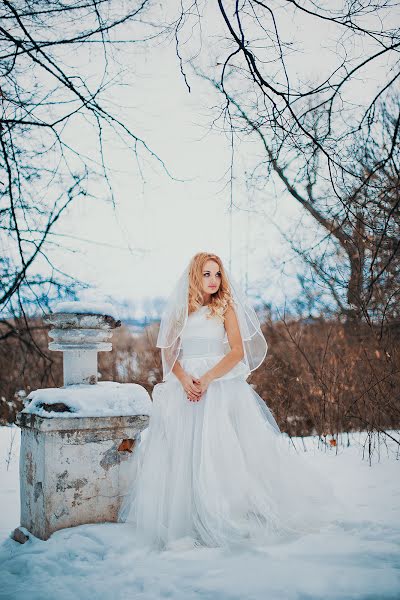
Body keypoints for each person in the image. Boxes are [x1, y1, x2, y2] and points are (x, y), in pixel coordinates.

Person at [119, 252, 340, 550]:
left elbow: (237, 352)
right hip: (184, 385)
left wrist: (208, 379)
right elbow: (169, 353)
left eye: (218, 274)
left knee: (221, 449)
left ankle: (228, 510)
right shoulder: (179, 310)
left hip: (220, 383)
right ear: (196, 275)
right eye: (207, 274)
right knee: (185, 451)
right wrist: (185, 381)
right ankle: (188, 515)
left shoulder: (226, 308)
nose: (213, 280)